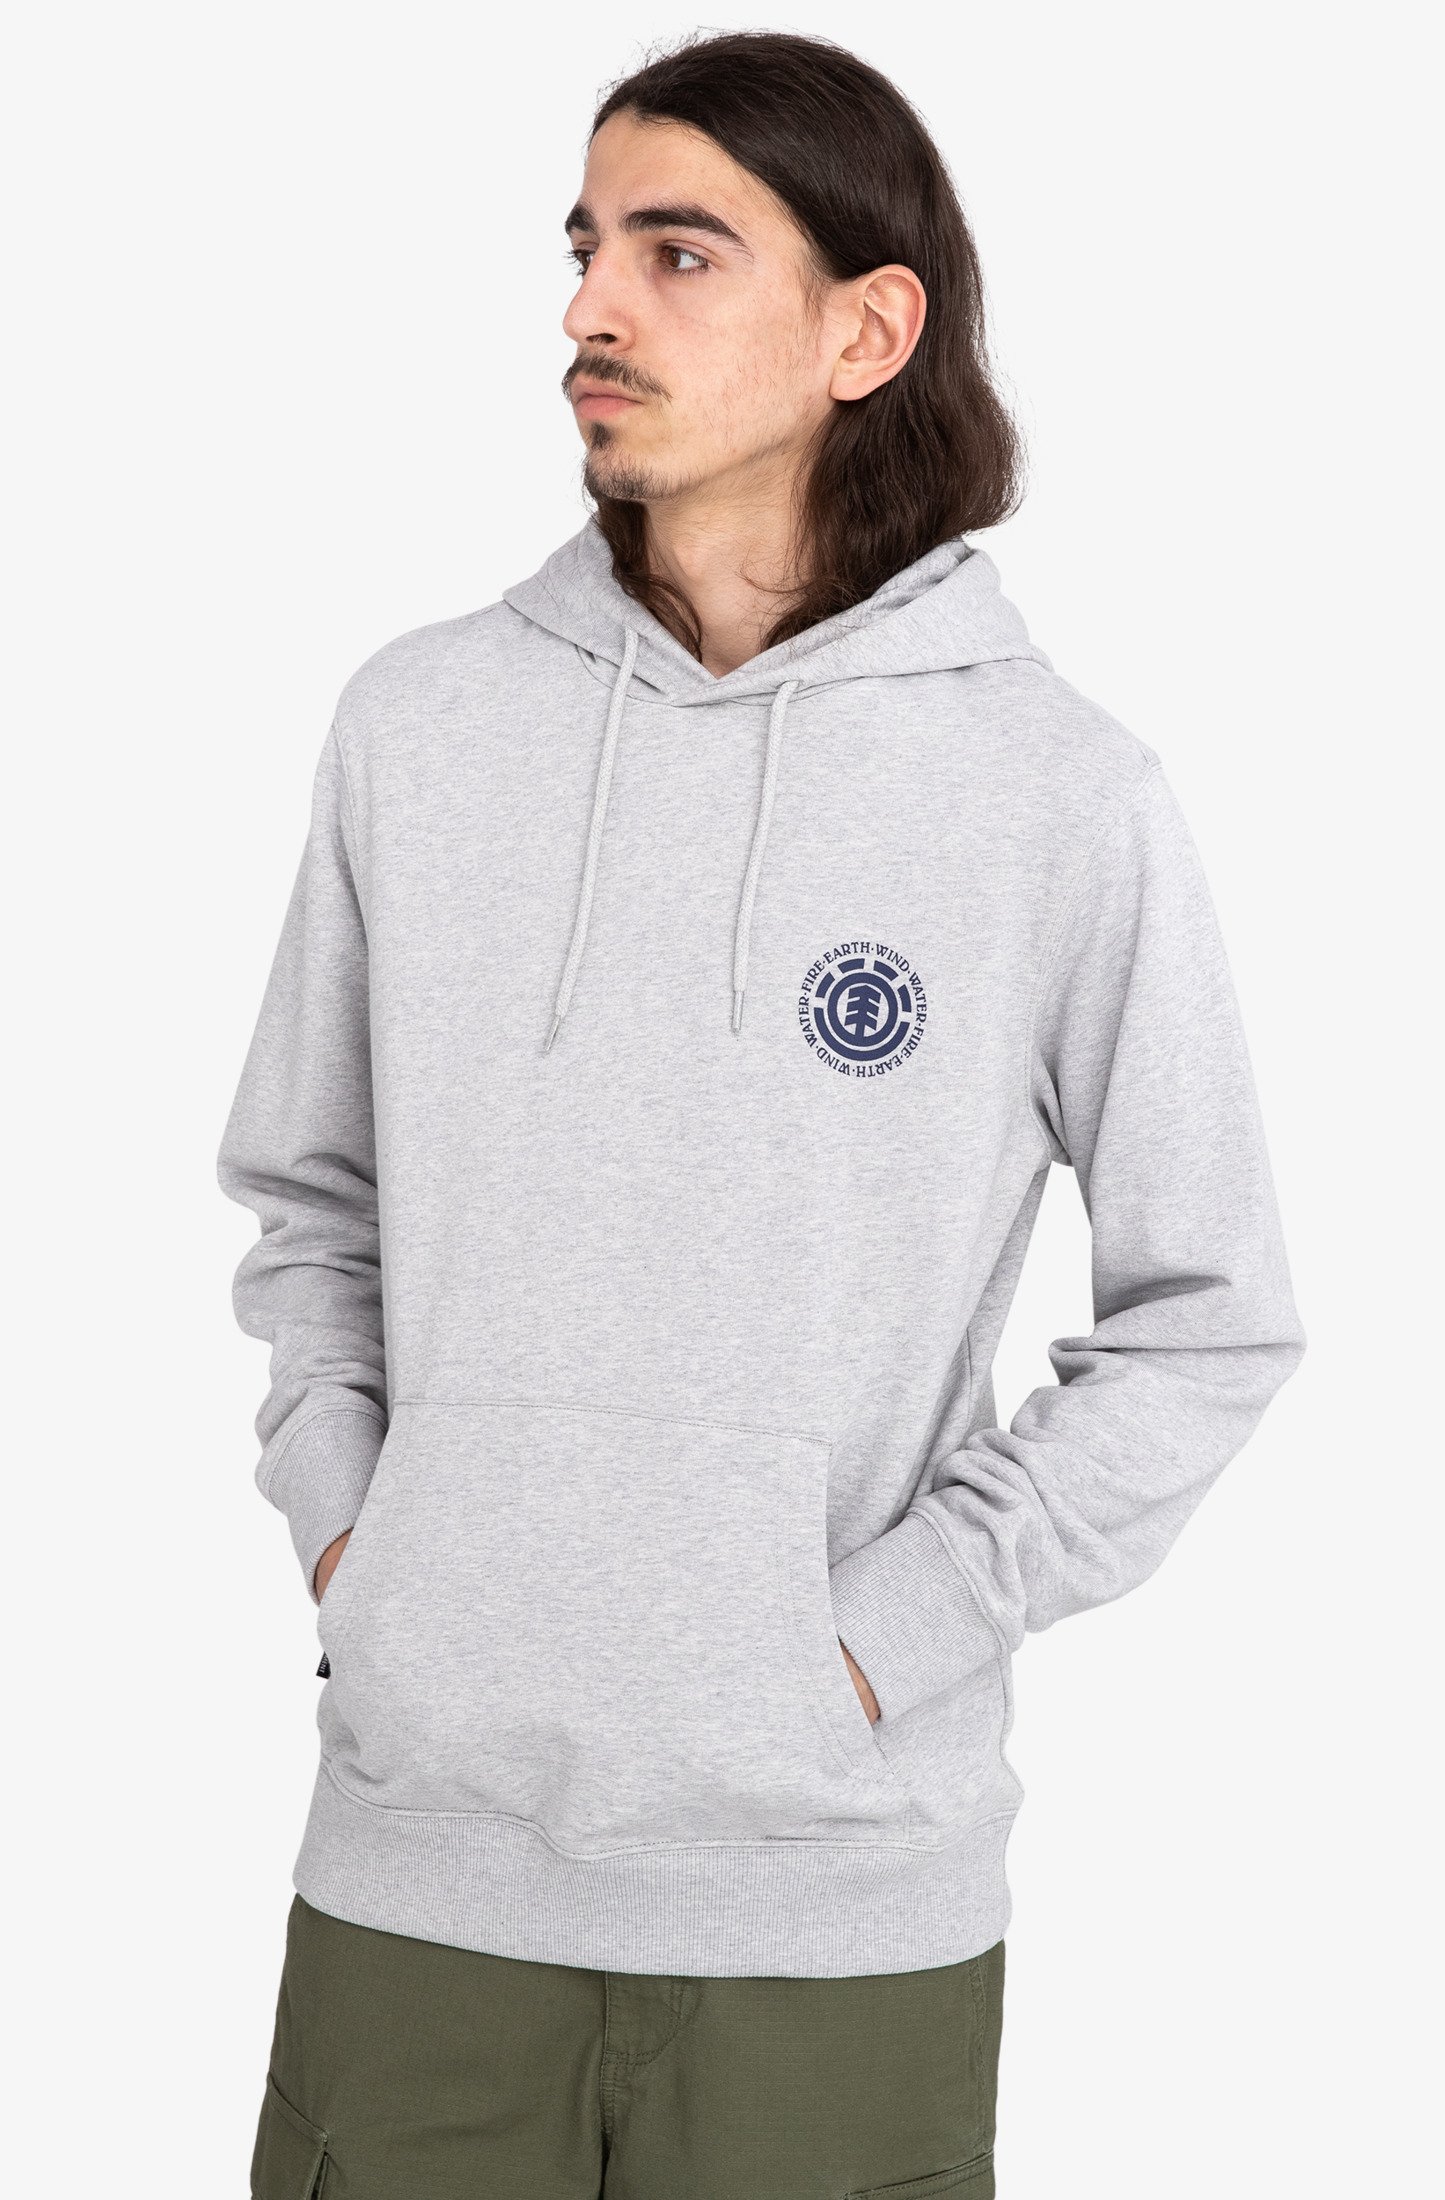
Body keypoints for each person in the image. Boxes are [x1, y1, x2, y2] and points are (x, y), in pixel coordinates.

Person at [218, 30, 1306, 2200]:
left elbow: (1212, 1317)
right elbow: (311, 1202)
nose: (590, 309)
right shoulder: (417, 727)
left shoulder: (1057, 794)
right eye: (584, 247)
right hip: (417, 1877)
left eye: (680, 252)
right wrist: (364, 1541)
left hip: (837, 1913)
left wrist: (878, 1638)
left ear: (865, 330)